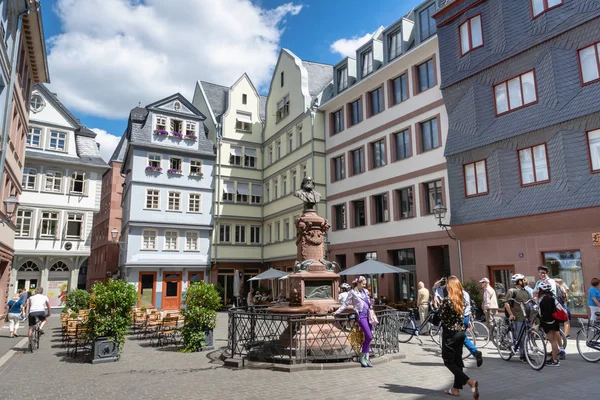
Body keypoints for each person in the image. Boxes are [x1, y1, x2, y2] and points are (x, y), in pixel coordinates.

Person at [440, 276, 479, 399]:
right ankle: (455, 389)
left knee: (448, 361)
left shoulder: (447, 300)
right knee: (457, 360)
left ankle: (469, 382)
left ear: (449, 286)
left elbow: (441, 317)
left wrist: (437, 308)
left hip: (450, 334)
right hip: (461, 333)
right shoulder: (463, 299)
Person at [433, 278, 482, 367]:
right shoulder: (465, 294)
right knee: (460, 339)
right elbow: (468, 307)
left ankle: (472, 353)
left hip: (458, 319)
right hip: (466, 317)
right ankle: (463, 359)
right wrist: (470, 320)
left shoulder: (453, 295)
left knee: (459, 338)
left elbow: (435, 290)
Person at [333, 276, 374, 367]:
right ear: (358, 283)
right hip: (361, 317)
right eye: (363, 284)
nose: (364, 285)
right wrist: (337, 311)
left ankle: (366, 358)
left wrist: (371, 302)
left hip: (369, 316)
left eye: (365, 284)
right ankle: (362, 356)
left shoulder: (366, 292)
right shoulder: (352, 293)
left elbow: (368, 302)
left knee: (369, 337)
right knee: (369, 336)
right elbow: (345, 304)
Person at [504, 274, 532, 363]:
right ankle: (522, 355)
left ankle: (526, 354)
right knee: (522, 337)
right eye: (523, 280)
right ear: (519, 282)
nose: (525, 281)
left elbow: (531, 301)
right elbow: (506, 303)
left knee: (527, 337)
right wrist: (511, 314)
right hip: (518, 317)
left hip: (526, 317)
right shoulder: (512, 291)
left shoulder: (526, 291)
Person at [538, 281, 561, 367]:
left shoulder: (544, 300)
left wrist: (541, 321)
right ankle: (555, 358)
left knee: (553, 341)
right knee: (554, 341)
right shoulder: (552, 297)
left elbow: (545, 313)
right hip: (555, 321)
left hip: (548, 322)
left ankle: (555, 360)